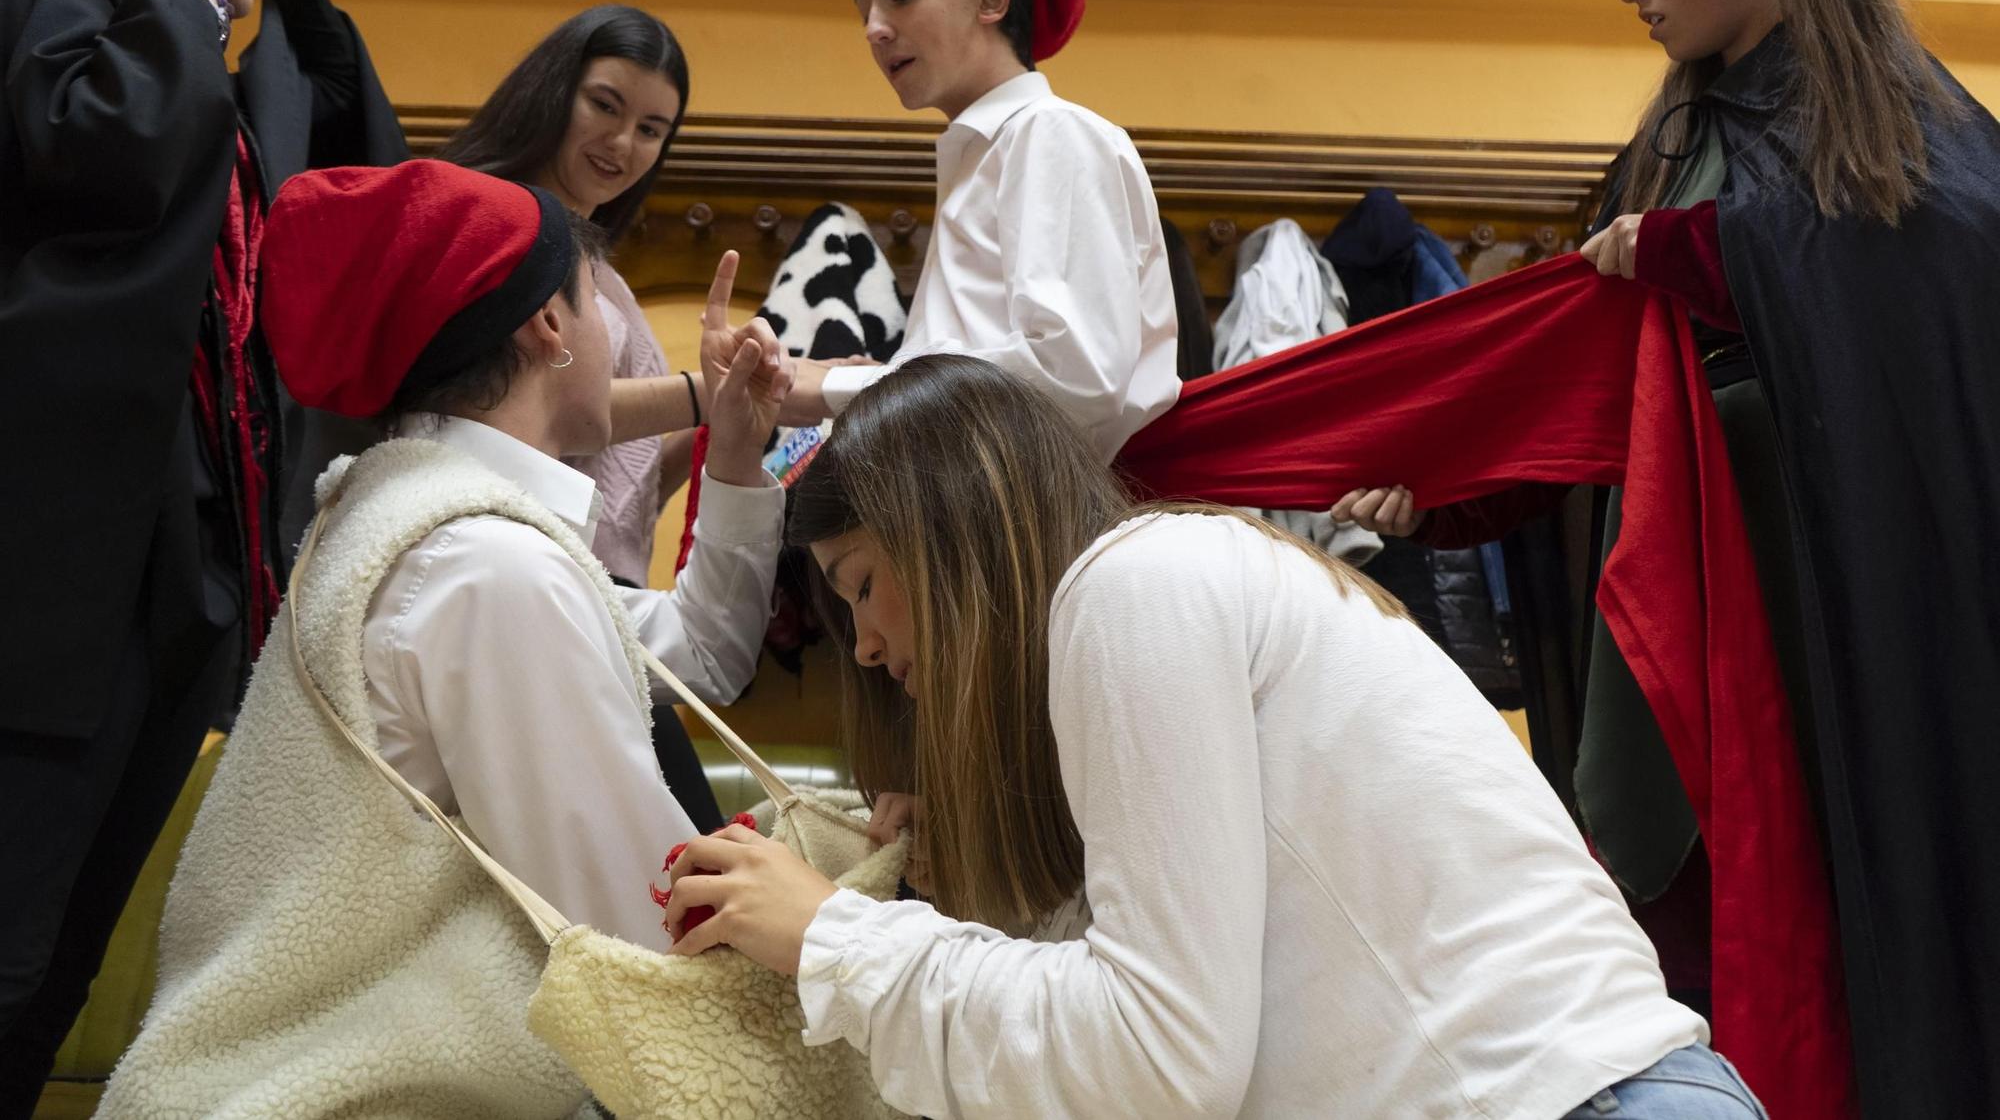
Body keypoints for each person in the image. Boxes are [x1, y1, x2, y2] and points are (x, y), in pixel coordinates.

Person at [1334, 0, 2000, 1112]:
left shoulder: (1900, 125)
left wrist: (1711, 257)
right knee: (1684, 960)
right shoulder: (1681, 136)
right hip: (1684, 628)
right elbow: (1621, 390)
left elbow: (1941, 271)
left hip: (1843, 633)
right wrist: (1454, 501)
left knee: (1849, 943)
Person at [652, 354, 1765, 1120]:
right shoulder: (1172, 591)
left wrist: (834, 938)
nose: (859, 645)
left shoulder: (1134, 586)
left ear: (947, 533)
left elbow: (1158, 1057)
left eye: (859, 587)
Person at [99, 162, 789, 1116]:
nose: (617, 341)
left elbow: (696, 654)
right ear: (546, 325)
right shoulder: (483, 565)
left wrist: (740, 457)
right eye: (599, 304)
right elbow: (646, 918)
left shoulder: (423, 523)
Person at [0, 0, 403, 1107]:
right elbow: (94, 139)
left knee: (59, 962)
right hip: (43, 570)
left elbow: (353, 151)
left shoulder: (194, 72)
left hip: (183, 572)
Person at [667, 0, 1177, 463]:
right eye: (863, 11)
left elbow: (1075, 377)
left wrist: (833, 390)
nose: (874, 30)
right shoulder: (982, 159)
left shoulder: (1050, 132)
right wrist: (877, 383)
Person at [436, 6, 726, 825]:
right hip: (531, 599)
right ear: (553, 89)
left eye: (652, 128)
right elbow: (562, 412)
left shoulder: (593, 258)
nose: (623, 143)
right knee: (690, 859)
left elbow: (614, 484)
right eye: (605, 104)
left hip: (597, 600)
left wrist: (729, 429)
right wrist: (708, 390)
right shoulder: (502, 223)